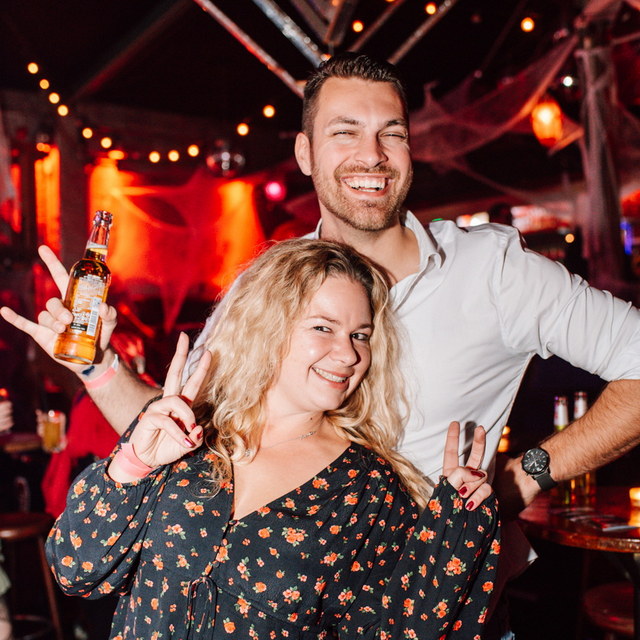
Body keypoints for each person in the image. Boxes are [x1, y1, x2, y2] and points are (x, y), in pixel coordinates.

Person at [3, 51, 640, 636]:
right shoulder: (267, 285)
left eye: (392, 133)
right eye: (346, 131)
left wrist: (523, 477)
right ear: (305, 153)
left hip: (426, 609)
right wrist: (100, 366)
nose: (373, 155)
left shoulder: (493, 270)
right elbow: (177, 430)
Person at [46, 239, 500, 639]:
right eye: (323, 327)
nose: (348, 354)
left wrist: (452, 540)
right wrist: (134, 465)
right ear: (268, 325)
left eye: (360, 335)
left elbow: (391, 630)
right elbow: (75, 571)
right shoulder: (182, 428)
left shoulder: (367, 489)